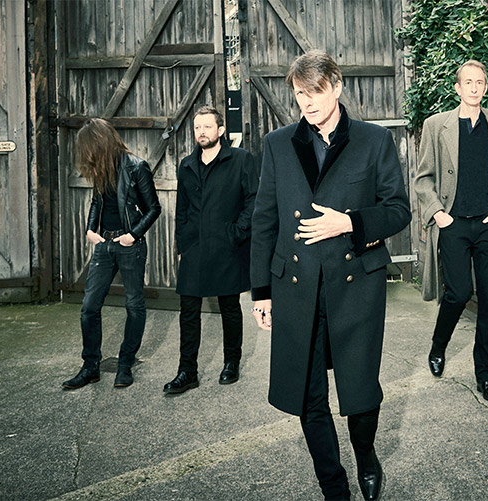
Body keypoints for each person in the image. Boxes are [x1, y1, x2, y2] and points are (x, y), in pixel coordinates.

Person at [250, 50, 410, 501]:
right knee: (308, 393)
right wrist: (261, 293)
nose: (307, 102)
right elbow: (264, 220)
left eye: (315, 91)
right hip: (296, 288)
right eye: (300, 94)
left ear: (337, 87)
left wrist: (350, 223)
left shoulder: (373, 140)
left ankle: (366, 454)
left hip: (355, 285)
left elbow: (398, 210)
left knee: (360, 391)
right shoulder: (278, 144)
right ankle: (333, 485)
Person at [414, 60, 488, 402]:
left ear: (485, 87)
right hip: (454, 223)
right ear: (457, 88)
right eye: (468, 82)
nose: (474, 88)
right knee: (458, 293)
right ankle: (438, 346)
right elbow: (423, 178)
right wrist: (438, 214)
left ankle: (485, 377)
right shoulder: (436, 126)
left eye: (480, 82)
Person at [163, 106, 258, 394]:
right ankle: (187, 371)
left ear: (220, 130)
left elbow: (253, 201)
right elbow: (182, 210)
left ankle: (231, 362)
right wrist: (182, 244)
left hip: (227, 247)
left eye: (207, 126)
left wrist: (236, 233)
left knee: (230, 307)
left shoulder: (241, 160)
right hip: (194, 247)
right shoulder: (186, 165)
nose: (201, 132)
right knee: (188, 310)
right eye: (197, 128)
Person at [63, 118, 161, 390]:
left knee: (134, 305)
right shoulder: (101, 167)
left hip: (129, 246)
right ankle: (90, 367)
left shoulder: (136, 167)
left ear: (100, 142)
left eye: (88, 148)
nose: (86, 155)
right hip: (104, 245)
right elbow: (98, 200)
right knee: (89, 307)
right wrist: (89, 229)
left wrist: (133, 235)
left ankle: (125, 364)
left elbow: (154, 208)